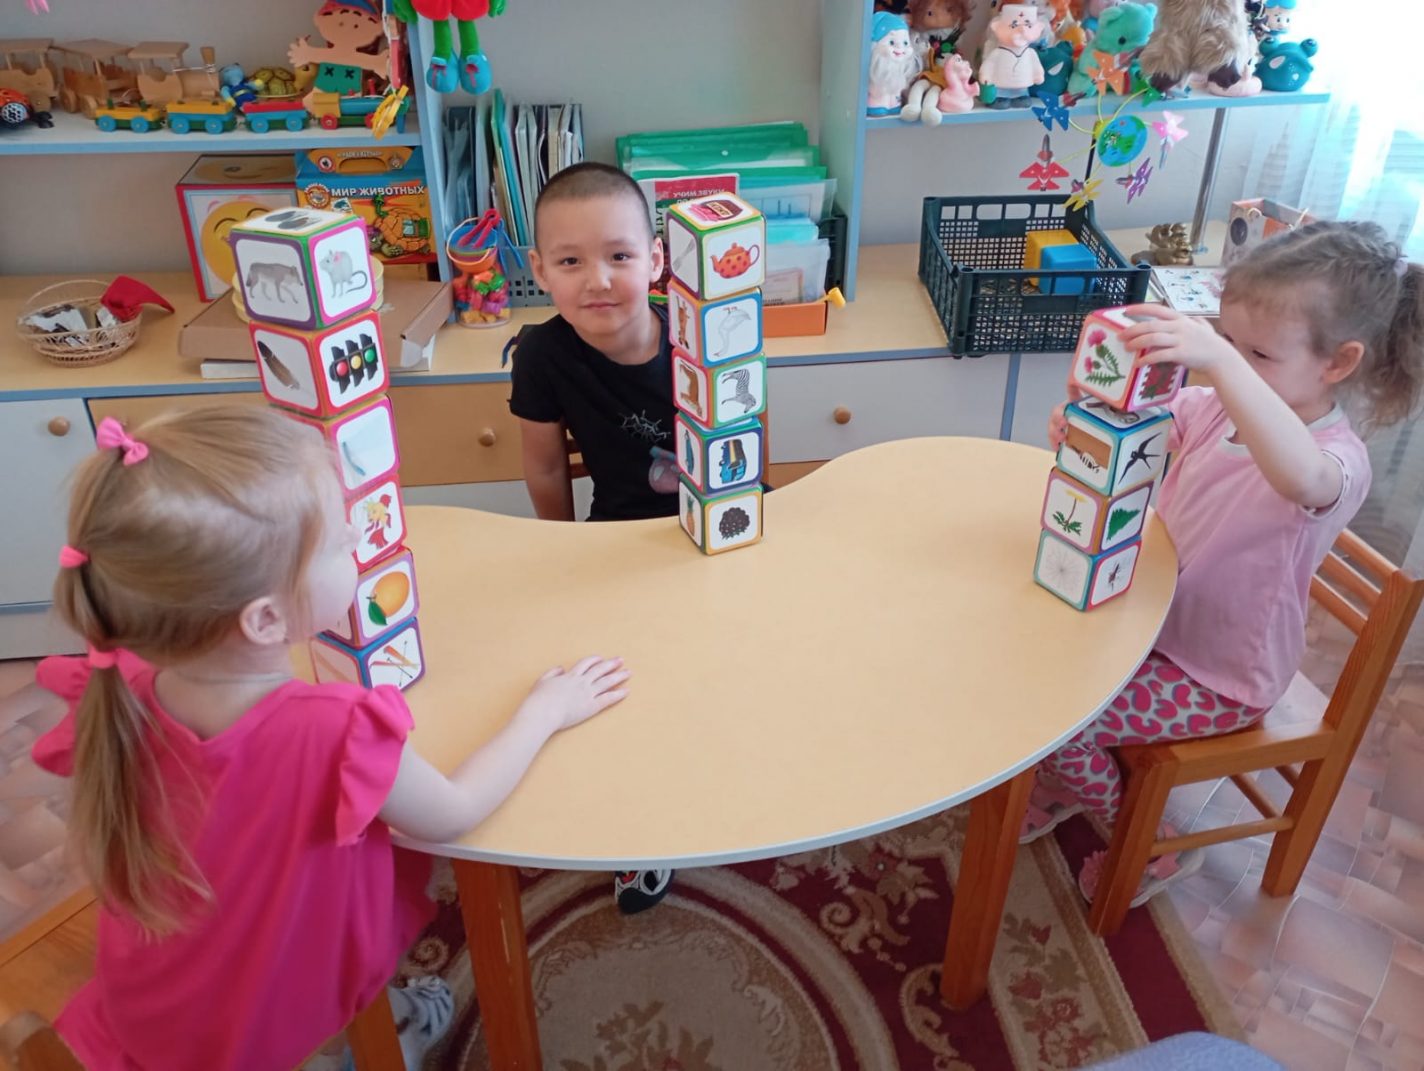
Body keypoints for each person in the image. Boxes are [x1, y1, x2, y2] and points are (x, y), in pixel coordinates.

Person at [0, 408, 627, 1070]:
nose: (357, 534)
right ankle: (383, 1035)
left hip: (153, 999)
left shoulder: (121, 680)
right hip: (262, 1015)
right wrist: (544, 711)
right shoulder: (332, 728)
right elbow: (455, 811)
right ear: (265, 619)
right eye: (338, 540)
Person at [1025, 221, 1424, 906]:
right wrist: (1084, 423)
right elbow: (1146, 425)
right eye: (1228, 342)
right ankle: (1068, 786)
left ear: (1337, 363)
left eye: (1257, 353)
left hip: (1221, 674)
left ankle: (1147, 846)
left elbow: (1301, 479)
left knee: (1065, 724)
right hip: (1153, 622)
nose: (1227, 365)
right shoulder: (1213, 408)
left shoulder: (1337, 461)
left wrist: (1221, 362)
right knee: (1038, 660)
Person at [508, 161, 681, 912]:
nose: (599, 280)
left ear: (656, 259)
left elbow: (748, 439)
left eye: (619, 255)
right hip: (614, 536)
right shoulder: (544, 354)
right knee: (614, 685)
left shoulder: (701, 331)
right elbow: (546, 465)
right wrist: (560, 551)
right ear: (540, 269)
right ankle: (641, 831)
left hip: (717, 525)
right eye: (572, 261)